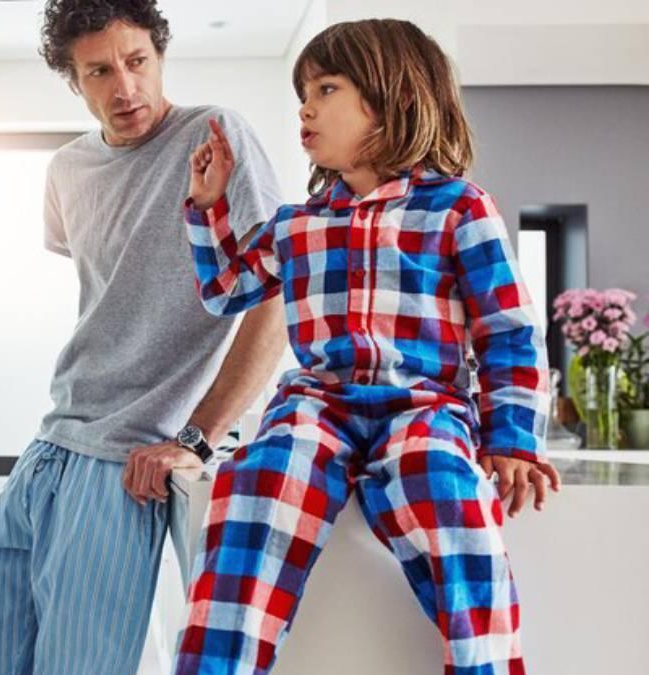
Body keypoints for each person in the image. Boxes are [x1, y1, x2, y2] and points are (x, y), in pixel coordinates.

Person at [174, 19, 562, 675]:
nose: (306, 106)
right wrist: (207, 208)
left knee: (448, 488)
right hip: (316, 403)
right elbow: (226, 290)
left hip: (423, 405)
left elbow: (508, 330)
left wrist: (514, 437)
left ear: (393, 99)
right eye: (303, 92)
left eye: (326, 88)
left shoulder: (458, 210)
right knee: (258, 477)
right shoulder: (298, 225)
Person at [0, 1, 288, 673]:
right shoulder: (66, 172)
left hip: (123, 461)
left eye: (137, 62)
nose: (124, 88)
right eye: (99, 70)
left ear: (160, 57)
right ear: (74, 81)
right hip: (48, 446)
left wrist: (196, 436)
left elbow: (274, 301)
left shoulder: (215, 138)